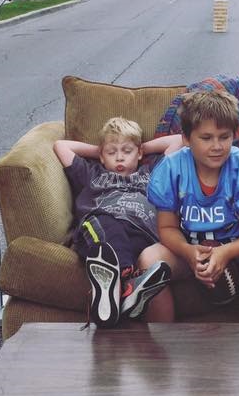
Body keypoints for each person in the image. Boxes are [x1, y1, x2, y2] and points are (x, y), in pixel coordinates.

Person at [148, 90, 239, 322]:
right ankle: (160, 341)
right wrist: (188, 252)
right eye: (206, 138)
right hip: (190, 253)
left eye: (224, 137)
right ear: (186, 138)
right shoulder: (171, 169)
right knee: (150, 260)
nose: (217, 146)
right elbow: (167, 228)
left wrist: (226, 252)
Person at [54, 119, 183, 327]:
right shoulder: (93, 173)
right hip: (101, 230)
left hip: (141, 233)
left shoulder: (151, 172)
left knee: (140, 248)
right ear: (102, 156)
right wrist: (99, 151)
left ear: (139, 153)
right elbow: (61, 146)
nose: (119, 157)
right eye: (112, 152)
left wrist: (141, 148)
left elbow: (178, 141)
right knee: (107, 227)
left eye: (127, 151)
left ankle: (115, 292)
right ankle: (124, 282)